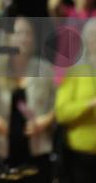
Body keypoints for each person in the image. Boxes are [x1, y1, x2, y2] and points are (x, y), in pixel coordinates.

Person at [0, 17, 55, 182]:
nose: (23, 38)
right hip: (0, 149)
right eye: (17, 33)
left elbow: (59, 106)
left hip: (37, 149)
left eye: (28, 33)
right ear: (7, 38)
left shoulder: (44, 69)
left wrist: (45, 121)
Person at [55, 18, 96, 183]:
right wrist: (90, 104)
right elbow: (61, 112)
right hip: (82, 156)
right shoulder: (75, 71)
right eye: (93, 35)